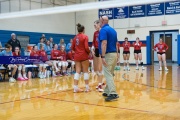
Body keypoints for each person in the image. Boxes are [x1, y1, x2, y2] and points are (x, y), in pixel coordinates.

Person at [99, 16, 119, 101]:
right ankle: (107, 91)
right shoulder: (113, 30)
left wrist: (103, 56)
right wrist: (117, 55)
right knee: (110, 73)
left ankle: (113, 93)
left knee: (107, 73)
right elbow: (116, 44)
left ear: (103, 21)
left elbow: (104, 43)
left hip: (108, 54)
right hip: (114, 54)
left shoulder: (103, 30)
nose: (99, 22)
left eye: (100, 21)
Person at [71, 23, 90, 93]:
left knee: (77, 71)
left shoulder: (75, 38)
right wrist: (89, 52)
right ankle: (87, 88)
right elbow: (86, 47)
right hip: (84, 55)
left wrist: (77, 51)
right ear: (83, 30)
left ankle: (75, 87)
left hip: (77, 56)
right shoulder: (85, 37)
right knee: (85, 71)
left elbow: (72, 48)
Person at [91, 20, 104, 92]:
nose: (94, 27)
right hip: (96, 50)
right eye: (94, 26)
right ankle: (100, 81)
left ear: (99, 25)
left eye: (95, 25)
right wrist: (92, 48)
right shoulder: (95, 33)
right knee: (95, 69)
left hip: (101, 50)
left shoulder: (102, 32)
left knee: (100, 68)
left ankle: (100, 84)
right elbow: (93, 41)